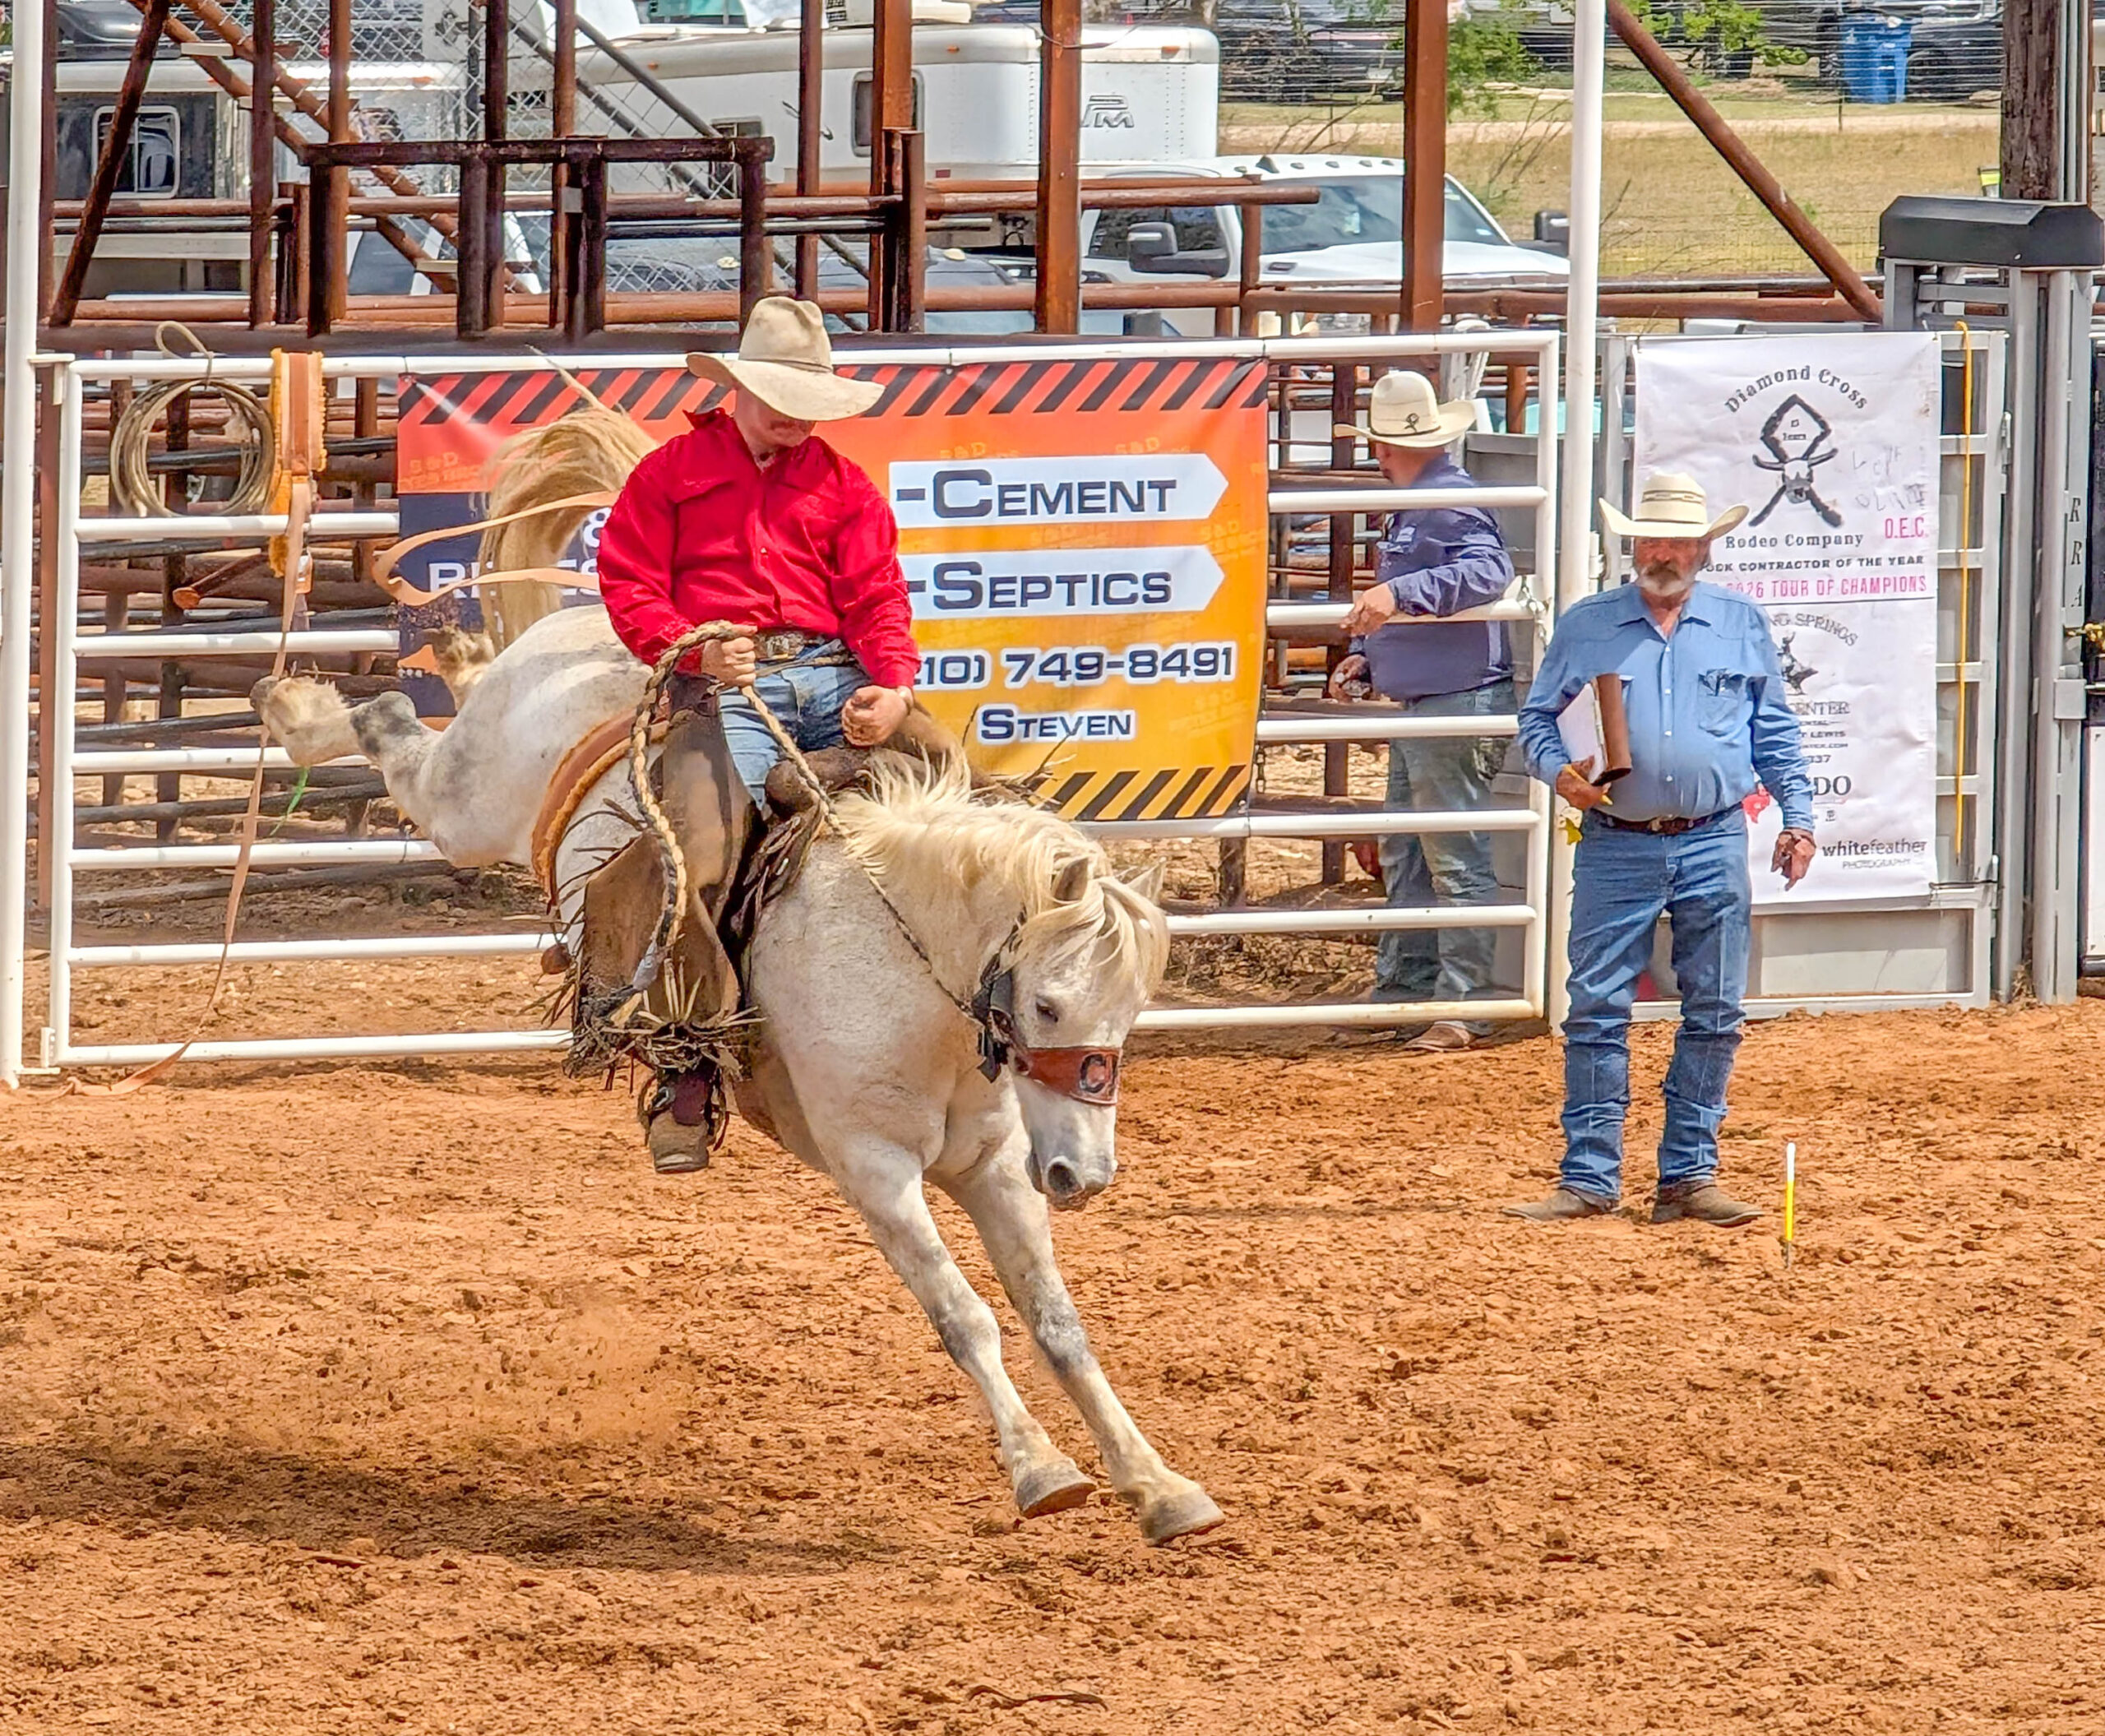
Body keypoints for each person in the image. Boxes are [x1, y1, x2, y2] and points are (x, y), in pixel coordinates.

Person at [590, 296, 924, 1174]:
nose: (797, 417)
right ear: (739, 389)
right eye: (782, 398)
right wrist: (690, 648)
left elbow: (878, 596)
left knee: (948, 781)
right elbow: (629, 583)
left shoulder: (844, 487)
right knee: (700, 852)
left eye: (809, 402)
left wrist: (892, 687)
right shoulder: (669, 474)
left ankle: (971, 1006)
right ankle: (689, 1059)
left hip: (835, 671)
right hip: (721, 686)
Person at [1506, 473, 1816, 1227]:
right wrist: (1560, 774)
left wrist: (1799, 817)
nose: (1663, 554)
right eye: (1651, 540)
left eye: (1678, 542)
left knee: (1715, 1008)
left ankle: (1686, 1174)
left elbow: (1772, 729)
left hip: (1713, 834)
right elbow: (1538, 720)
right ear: (1633, 544)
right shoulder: (1588, 625)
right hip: (1619, 839)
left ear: (1703, 548)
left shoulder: (1740, 622)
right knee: (1596, 1007)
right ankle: (1591, 1175)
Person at [1327, 370, 1516, 1053]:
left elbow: (1490, 573)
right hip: (1433, 699)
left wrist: (1398, 596)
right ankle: (1411, 994)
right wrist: (1367, 654)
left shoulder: (1445, 504)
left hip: (1449, 702)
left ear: (1385, 446)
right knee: (1412, 854)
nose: (1377, 457)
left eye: (1377, 446)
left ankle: (1457, 1003)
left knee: (1446, 856)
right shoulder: (1426, 504)